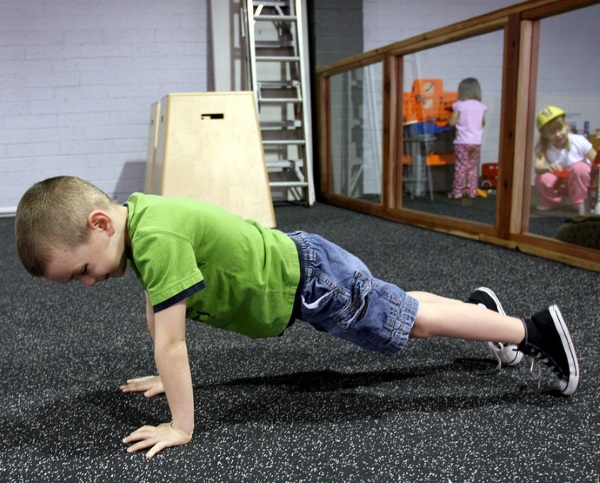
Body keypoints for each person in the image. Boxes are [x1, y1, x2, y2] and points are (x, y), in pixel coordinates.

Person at [15, 176, 580, 458]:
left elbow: (172, 342)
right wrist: (166, 380)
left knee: (408, 322)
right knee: (397, 303)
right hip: (304, 268)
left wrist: (181, 425)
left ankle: (531, 331)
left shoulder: (154, 238)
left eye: (83, 270)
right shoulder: (140, 220)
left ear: (100, 223)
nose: (89, 283)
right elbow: (157, 310)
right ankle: (480, 313)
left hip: (310, 283)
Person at [534, 106, 597, 213]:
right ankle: (553, 202)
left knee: (580, 167)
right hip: (560, 182)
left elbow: (596, 160)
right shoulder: (543, 147)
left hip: (580, 182)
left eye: (560, 129)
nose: (558, 135)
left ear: (566, 126)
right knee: (541, 177)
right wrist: (548, 167)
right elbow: (537, 167)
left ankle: (580, 202)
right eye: (552, 132)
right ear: (544, 134)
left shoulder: (579, 141)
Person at [448, 77, 487, 200]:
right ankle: (471, 191)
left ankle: (457, 192)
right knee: (472, 167)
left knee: (460, 167)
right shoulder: (481, 106)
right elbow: (483, 123)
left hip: (462, 142)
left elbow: (452, 122)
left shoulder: (459, 105)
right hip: (476, 142)